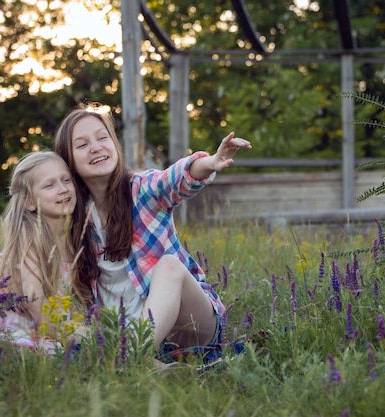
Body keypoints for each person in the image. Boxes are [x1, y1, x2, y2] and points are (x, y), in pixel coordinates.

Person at [54, 103, 251, 363]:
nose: (96, 147)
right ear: (68, 161)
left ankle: (130, 359)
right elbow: (31, 249)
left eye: (103, 138)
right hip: (124, 330)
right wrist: (3, 264)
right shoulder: (72, 218)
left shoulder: (141, 190)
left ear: (114, 144)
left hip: (191, 325)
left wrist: (210, 163)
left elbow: (176, 178)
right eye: (82, 145)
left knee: (169, 266)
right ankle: (146, 360)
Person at [0, 151, 84, 353]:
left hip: (57, 330)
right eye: (50, 185)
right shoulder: (30, 245)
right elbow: (38, 310)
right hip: (20, 332)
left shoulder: (76, 241)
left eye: (66, 180)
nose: (63, 189)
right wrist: (80, 337)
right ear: (29, 202)